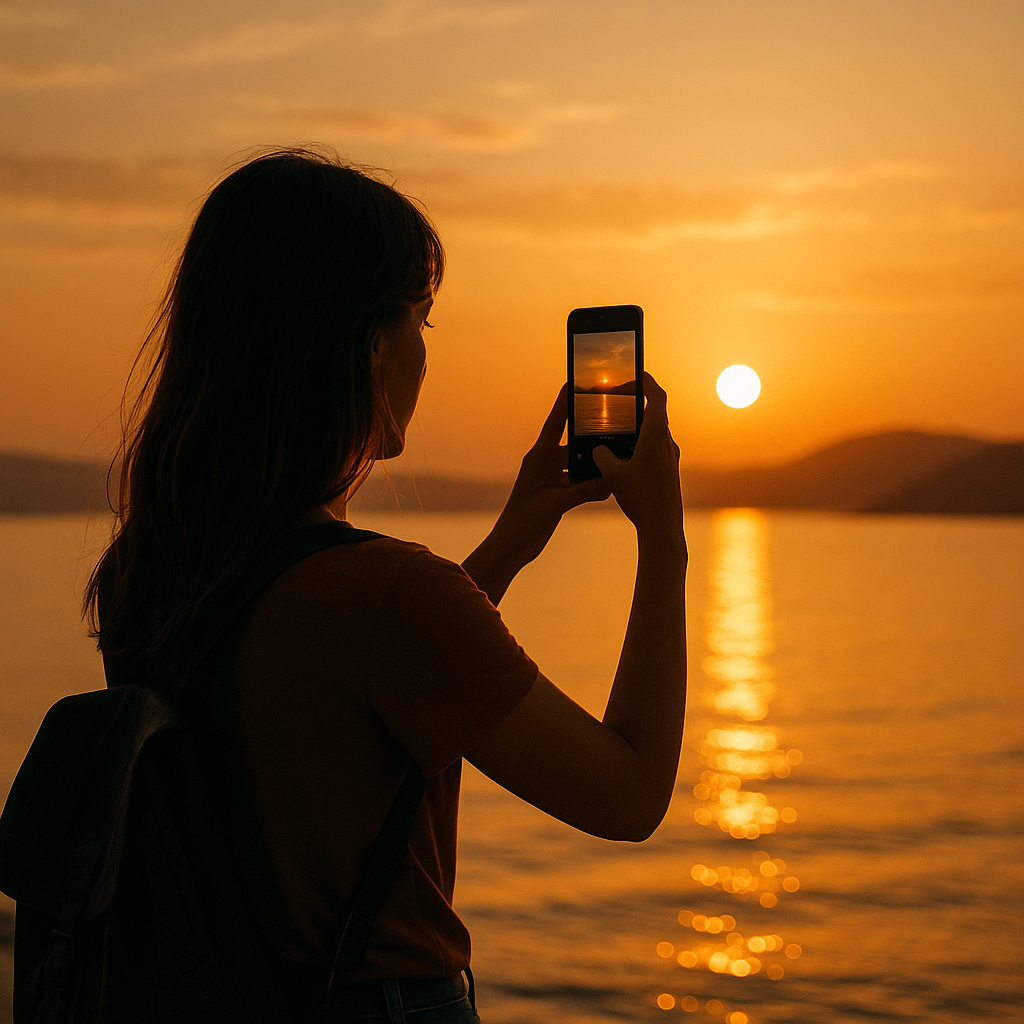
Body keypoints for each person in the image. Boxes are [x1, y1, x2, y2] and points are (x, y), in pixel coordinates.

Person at [84, 147, 687, 1024]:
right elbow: (630, 795)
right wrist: (664, 543)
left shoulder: (153, 576)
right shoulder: (385, 600)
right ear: (369, 346)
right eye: (420, 322)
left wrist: (513, 541)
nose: (426, 358)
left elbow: (354, 703)